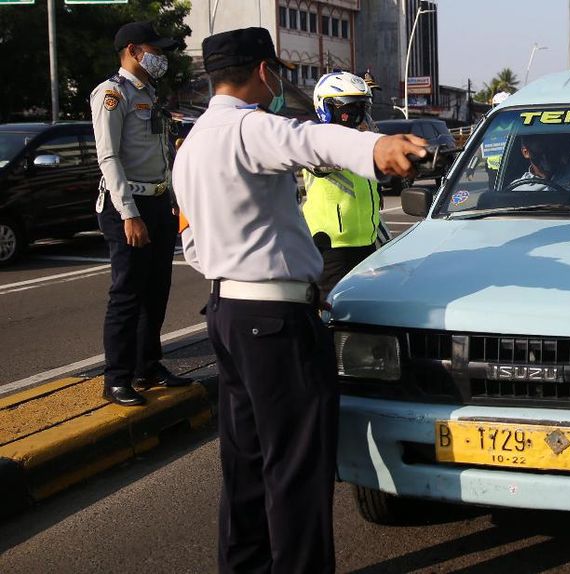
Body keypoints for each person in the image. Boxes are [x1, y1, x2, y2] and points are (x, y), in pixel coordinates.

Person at [171, 27, 426, 573]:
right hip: (275, 320)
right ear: (264, 72)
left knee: (246, 462)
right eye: (277, 72)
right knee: (297, 468)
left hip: (227, 312)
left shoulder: (191, 142)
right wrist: (376, 145)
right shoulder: (250, 128)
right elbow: (310, 140)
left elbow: (189, 238)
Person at [90, 21, 191, 407]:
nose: (161, 57)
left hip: (157, 201)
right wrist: (130, 214)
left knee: (157, 290)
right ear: (133, 50)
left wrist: (173, 200)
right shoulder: (112, 95)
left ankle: (148, 365)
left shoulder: (148, 92)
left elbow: (160, 153)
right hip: (126, 205)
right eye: (156, 50)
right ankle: (116, 377)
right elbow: (109, 158)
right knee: (127, 294)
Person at [303, 71, 382, 296]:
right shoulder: (314, 140)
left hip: (367, 242)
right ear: (326, 108)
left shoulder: (362, 139)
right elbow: (330, 160)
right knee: (332, 314)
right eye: (351, 108)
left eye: (363, 107)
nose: (358, 115)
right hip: (331, 248)